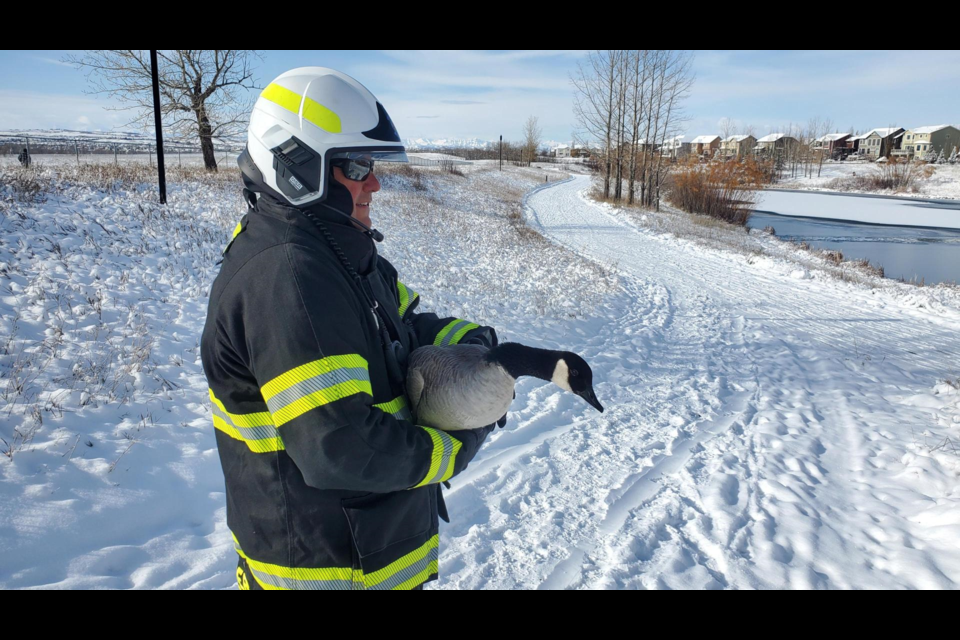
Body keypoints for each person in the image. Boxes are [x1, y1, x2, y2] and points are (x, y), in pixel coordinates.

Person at [201, 67, 503, 591]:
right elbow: (341, 447)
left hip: (363, 555)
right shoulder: (289, 278)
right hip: (328, 569)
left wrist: (481, 350)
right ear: (296, 166)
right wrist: (456, 444)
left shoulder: (336, 250)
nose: (375, 182)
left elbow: (403, 328)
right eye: (358, 166)